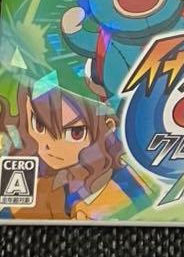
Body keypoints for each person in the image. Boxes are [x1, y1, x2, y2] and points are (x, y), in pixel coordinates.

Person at [0, 78, 147, 220]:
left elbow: (142, 204)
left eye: (75, 133)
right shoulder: (30, 164)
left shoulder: (123, 184)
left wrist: (98, 213)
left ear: (108, 127)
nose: (49, 145)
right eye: (39, 125)